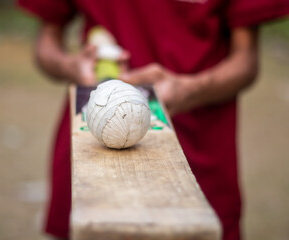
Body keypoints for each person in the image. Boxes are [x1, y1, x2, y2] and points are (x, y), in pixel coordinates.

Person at [17, 0, 289, 239]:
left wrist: (188, 89)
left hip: (199, 150)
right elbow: (46, 44)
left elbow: (246, 60)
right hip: (90, 148)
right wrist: (71, 66)